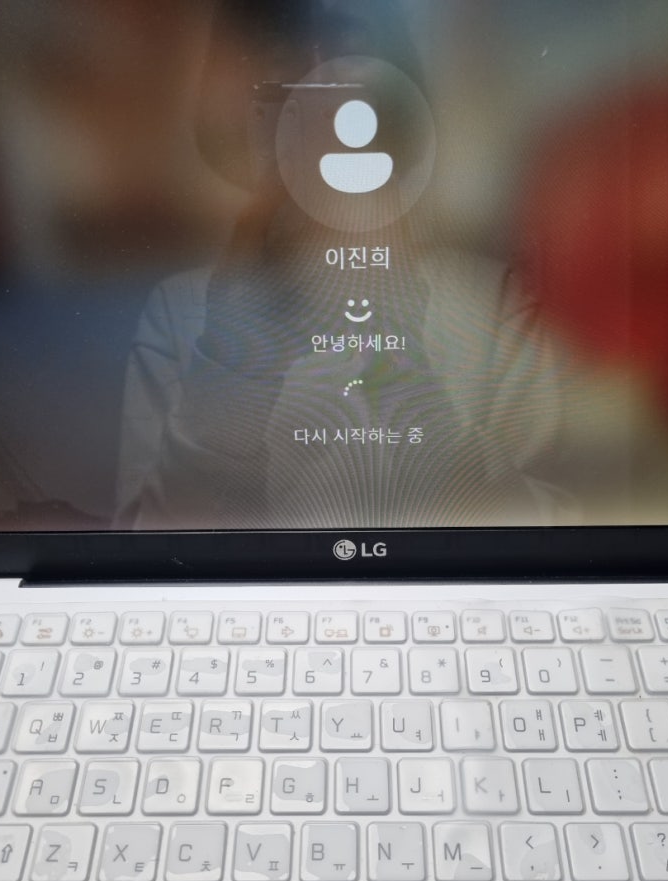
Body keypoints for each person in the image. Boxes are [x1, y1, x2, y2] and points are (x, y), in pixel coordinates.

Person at [116, 0, 572, 530]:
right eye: (282, 100)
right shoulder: (185, 314)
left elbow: (550, 533)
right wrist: (226, 382)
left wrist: (420, 396)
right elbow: (147, 542)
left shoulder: (490, 307)